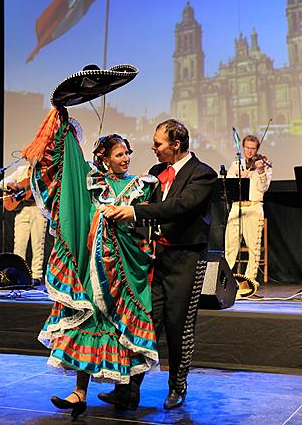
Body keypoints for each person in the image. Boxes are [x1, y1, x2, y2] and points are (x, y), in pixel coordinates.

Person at [21, 107, 159, 419]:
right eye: (120, 154)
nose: (125, 158)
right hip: (94, 268)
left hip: (125, 269)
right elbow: (67, 168)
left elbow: (149, 222)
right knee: (88, 320)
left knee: (118, 326)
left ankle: (125, 390)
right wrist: (64, 127)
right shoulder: (90, 181)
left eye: (127, 153)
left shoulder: (142, 184)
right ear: (105, 157)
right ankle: (79, 393)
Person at [99, 119, 218, 410]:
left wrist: (134, 212)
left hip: (185, 259)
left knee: (178, 324)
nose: (152, 148)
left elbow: (177, 207)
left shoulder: (202, 174)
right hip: (155, 258)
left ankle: (177, 386)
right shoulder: (155, 173)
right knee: (145, 321)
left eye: (158, 143)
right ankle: (128, 388)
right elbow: (138, 199)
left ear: (176, 146)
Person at [224, 134, 272, 289]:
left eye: (253, 148)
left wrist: (260, 171)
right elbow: (229, 187)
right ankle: (227, 281)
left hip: (253, 207)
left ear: (257, 149)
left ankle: (249, 283)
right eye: (247, 148)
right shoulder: (236, 165)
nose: (250, 152)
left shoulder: (264, 165)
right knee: (230, 246)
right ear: (243, 148)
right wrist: (240, 178)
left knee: (253, 248)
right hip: (237, 207)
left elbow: (264, 188)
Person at [0, 163, 47, 286]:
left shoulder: (43, 172)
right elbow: (2, 182)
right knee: (19, 244)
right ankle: (18, 274)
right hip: (22, 210)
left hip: (37, 209)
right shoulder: (21, 170)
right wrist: (12, 184)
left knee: (37, 244)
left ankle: (36, 275)